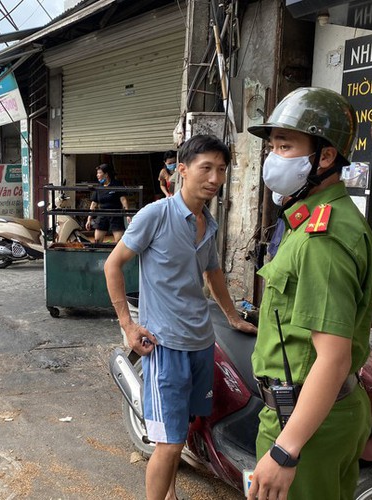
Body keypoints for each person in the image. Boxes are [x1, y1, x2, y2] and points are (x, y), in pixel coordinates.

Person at [104, 135, 256, 500]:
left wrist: (232, 317)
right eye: (206, 168)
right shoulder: (155, 216)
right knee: (169, 445)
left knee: (185, 430)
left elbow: (213, 273)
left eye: (221, 170)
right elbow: (113, 265)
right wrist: (128, 325)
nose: (215, 178)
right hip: (165, 346)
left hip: (202, 344)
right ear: (182, 171)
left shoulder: (209, 223)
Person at [245, 87, 372, 500]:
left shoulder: (324, 237)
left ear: (325, 156)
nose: (273, 157)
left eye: (286, 145)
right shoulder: (317, 220)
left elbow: (333, 358)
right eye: (272, 146)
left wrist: (286, 450)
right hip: (313, 416)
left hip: (303, 425)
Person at [85, 163, 130, 243]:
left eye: (99, 173)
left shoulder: (117, 184)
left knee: (119, 241)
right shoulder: (99, 187)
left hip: (115, 214)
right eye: (97, 173)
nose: (97, 175)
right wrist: (89, 219)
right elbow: (93, 204)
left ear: (106, 174)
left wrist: (127, 215)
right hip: (102, 215)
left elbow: (123, 200)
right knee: (97, 241)